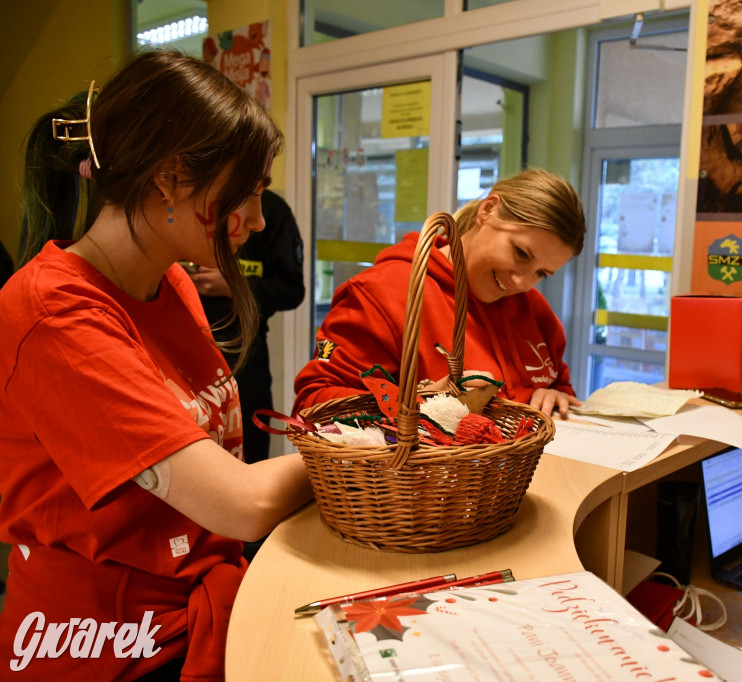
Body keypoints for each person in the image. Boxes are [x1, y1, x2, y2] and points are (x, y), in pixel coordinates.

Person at [0, 51, 312, 680]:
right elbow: (242, 504)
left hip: (187, 606)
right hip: (103, 640)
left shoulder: (173, 283)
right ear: (170, 178)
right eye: (245, 197)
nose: (254, 222)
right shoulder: (52, 312)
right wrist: (357, 454)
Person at [293, 168, 586, 419]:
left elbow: (559, 383)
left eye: (541, 273)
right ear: (488, 210)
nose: (521, 281)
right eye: (521, 253)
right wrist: (424, 403)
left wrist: (555, 394)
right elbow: (313, 403)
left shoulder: (535, 311)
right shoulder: (382, 294)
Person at [188, 190, 305, 465]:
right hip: (185, 350)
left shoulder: (273, 211)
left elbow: (291, 290)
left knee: (249, 454)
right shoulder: (190, 203)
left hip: (245, 356)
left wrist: (235, 287)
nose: (255, 224)